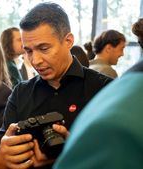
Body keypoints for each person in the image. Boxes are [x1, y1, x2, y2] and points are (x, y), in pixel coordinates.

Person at [0, 3, 113, 169]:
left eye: (44, 48)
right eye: (29, 51)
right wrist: (0, 156)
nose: (35, 60)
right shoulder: (21, 92)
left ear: (68, 41)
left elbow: (120, 156)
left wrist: (73, 152)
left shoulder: (104, 90)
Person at [54, 18, 143, 169]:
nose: (122, 54)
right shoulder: (109, 75)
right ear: (109, 48)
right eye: (121, 49)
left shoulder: (92, 69)